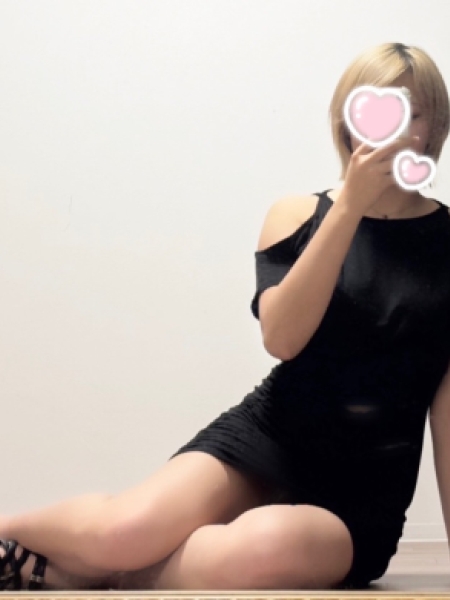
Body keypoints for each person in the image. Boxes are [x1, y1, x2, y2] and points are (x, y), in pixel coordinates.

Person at [1, 40, 450, 592]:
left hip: (362, 489)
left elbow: (447, 408)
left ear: (434, 127)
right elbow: (283, 340)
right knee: (126, 530)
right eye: (374, 107)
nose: (389, 126)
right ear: (346, 120)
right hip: (269, 434)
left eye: (411, 111)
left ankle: (64, 570)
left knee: (260, 549)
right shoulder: (296, 214)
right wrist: (351, 205)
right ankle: (11, 534)